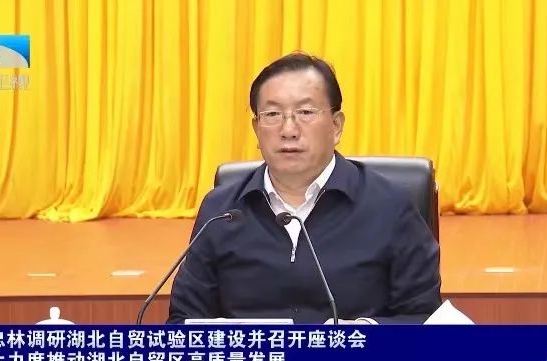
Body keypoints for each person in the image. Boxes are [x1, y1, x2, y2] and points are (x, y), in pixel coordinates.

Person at [167, 52, 442, 324]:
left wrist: (364, 334)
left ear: (336, 126)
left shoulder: (390, 206)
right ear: (256, 129)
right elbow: (183, 320)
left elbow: (426, 318)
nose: (288, 130)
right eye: (272, 114)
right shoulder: (221, 210)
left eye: (305, 112)